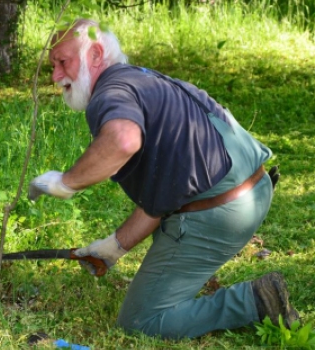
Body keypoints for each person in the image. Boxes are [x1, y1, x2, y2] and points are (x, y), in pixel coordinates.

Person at [28, 18, 299, 339]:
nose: (55, 76)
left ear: (96, 55)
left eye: (63, 62)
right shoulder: (143, 81)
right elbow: (165, 194)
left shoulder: (110, 94)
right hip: (254, 192)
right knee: (171, 231)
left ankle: (252, 301)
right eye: (53, 65)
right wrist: (113, 248)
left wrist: (65, 182)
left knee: (140, 322)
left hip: (220, 214)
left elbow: (123, 140)